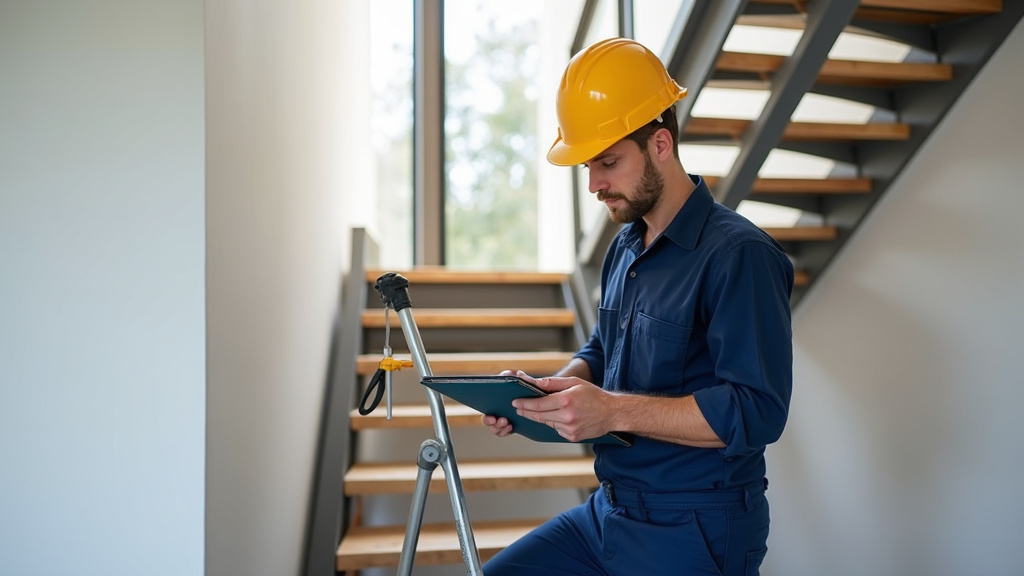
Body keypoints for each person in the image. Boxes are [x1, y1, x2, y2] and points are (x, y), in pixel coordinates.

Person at [481, 37, 794, 576]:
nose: (594, 185)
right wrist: (550, 391)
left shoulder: (739, 256)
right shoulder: (626, 246)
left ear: (661, 145)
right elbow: (604, 348)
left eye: (608, 162)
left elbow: (756, 410)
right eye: (587, 166)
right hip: (609, 512)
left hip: (695, 524)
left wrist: (613, 410)